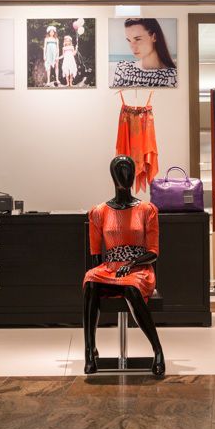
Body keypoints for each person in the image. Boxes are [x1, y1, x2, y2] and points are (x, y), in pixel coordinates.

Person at [82, 155, 165, 377]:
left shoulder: (147, 209)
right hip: (110, 268)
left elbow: (153, 251)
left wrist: (133, 262)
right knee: (90, 281)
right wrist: (101, 277)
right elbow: (95, 254)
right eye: (120, 170)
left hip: (138, 268)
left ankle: (158, 350)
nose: (125, 175)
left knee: (131, 287)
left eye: (129, 170)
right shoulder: (99, 212)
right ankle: (90, 351)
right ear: (113, 176)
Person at [111, 18, 177, 88]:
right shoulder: (123, 69)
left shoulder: (173, 77)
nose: (132, 46)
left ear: (154, 37)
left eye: (137, 39)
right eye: (129, 40)